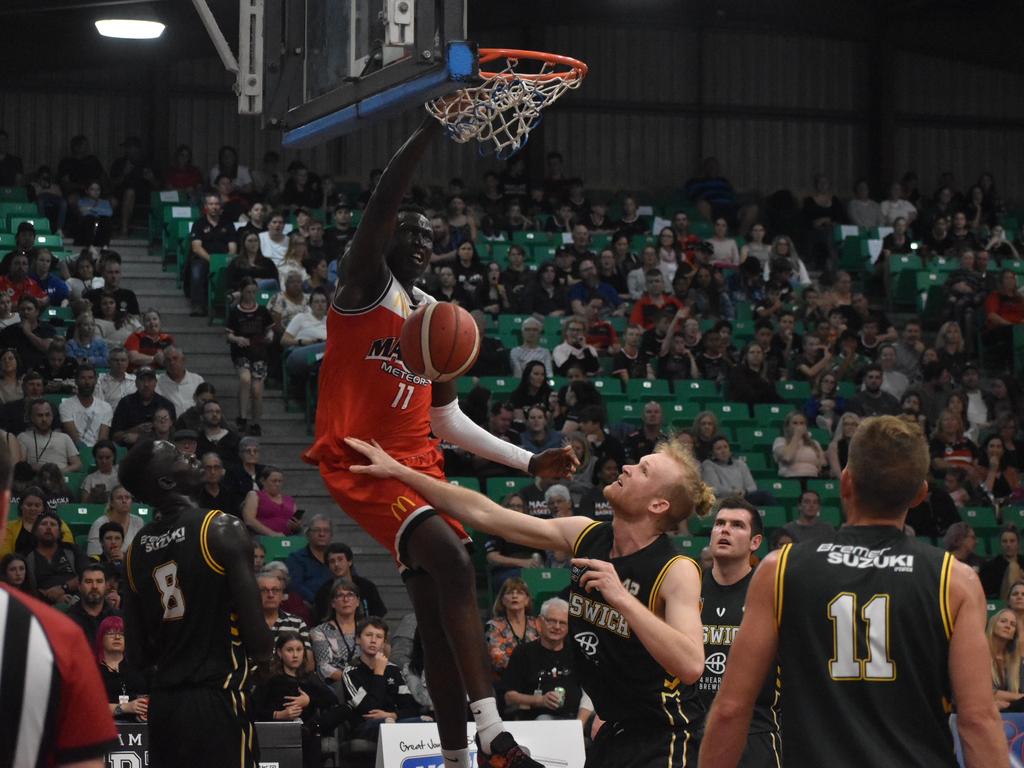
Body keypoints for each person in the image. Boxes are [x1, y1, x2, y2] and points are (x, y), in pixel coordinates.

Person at [301, 119, 577, 768]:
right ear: (390, 238)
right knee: (453, 561)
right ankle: (495, 735)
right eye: (413, 233)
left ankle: (458, 759)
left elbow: (448, 422)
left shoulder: (435, 322)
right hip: (363, 460)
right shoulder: (362, 285)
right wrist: (428, 129)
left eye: (433, 236)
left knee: (437, 616)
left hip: (416, 462)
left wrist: (528, 458)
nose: (425, 242)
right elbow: (382, 205)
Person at [346, 434, 713, 768]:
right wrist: (401, 473)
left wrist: (622, 599)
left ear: (658, 504)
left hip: (665, 738)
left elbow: (692, 664)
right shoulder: (585, 534)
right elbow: (488, 515)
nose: (629, 467)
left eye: (644, 470)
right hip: (613, 731)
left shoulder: (677, 569)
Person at [698, 416, 1006, 768]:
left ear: (845, 482)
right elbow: (978, 720)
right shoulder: (955, 580)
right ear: (921, 494)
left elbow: (732, 708)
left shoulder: (779, 569)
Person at [121, 439, 273, 768]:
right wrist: (264, 667)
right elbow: (258, 637)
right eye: (177, 455)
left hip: (165, 707)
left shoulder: (133, 552)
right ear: (166, 481)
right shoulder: (221, 527)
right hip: (217, 698)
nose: (190, 455)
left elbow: (136, 655)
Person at [0, 434, 120, 765]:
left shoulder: (71, 552)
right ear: (7, 507)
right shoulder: (58, 638)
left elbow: (86, 571)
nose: (49, 529)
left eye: (54, 524)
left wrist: (66, 589)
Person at [694, 499, 781, 765]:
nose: (725, 530)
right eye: (719, 523)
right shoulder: (687, 586)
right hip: (693, 729)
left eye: (737, 525)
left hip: (755, 730)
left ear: (755, 542)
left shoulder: (770, 591)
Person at [253, 632, 344, 768]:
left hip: (308, 729)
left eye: (299, 650)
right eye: (290, 650)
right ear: (279, 652)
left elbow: (331, 700)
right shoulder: (270, 679)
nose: (295, 655)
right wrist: (279, 715)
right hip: (278, 729)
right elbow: (253, 708)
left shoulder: (309, 678)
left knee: (343, 709)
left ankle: (309, 730)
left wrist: (309, 701)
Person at [503, 597, 591, 722]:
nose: (557, 626)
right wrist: (540, 700)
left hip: (577, 717)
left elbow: (589, 693)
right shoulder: (523, 653)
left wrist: (579, 724)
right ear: (539, 623)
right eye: (551, 621)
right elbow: (509, 697)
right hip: (540, 719)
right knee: (544, 720)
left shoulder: (578, 653)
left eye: (563, 623)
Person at [339, 617, 423, 740]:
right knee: (387, 724)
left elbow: (411, 708)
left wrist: (392, 715)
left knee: (427, 721)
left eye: (379, 637)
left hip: (393, 720)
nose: (373, 640)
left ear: (383, 643)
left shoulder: (394, 670)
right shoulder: (350, 673)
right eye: (368, 635)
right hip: (364, 726)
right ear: (358, 639)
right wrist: (379, 673)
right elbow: (369, 710)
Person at [226, 278, 274, 435]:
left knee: (257, 390)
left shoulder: (262, 311)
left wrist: (270, 336)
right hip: (241, 352)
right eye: (248, 292)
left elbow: (270, 330)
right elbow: (229, 335)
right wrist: (238, 339)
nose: (251, 295)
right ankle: (242, 417)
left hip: (259, 352)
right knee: (245, 379)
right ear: (242, 292)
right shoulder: (235, 312)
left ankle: (255, 422)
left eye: (254, 292)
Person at [312, 541, 388, 622]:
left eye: (340, 559)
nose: (336, 564)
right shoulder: (323, 592)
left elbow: (378, 615)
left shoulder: (367, 587)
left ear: (349, 562)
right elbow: (320, 619)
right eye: (332, 561)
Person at [189, 191, 238, 317]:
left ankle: (229, 304)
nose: (214, 207)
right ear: (206, 206)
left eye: (216, 204)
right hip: (204, 258)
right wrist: (212, 260)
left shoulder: (228, 224)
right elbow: (196, 247)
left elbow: (232, 247)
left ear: (220, 207)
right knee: (196, 272)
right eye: (211, 204)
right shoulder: (199, 223)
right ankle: (198, 305)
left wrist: (228, 259)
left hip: (224, 259)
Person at [310, 576, 363, 685]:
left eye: (350, 595)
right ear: (333, 603)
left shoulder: (367, 629)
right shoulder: (320, 631)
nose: (346, 599)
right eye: (340, 595)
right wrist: (352, 681)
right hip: (336, 685)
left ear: (357, 602)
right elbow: (324, 668)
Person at [95, 614, 149, 722]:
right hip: (103, 726)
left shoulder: (138, 667)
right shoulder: (93, 670)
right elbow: (89, 707)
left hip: (138, 728)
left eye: (121, 634)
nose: (117, 637)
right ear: (101, 638)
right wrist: (125, 707)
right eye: (111, 633)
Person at [485, 577, 540, 679]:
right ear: (502, 600)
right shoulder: (493, 626)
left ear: (527, 600)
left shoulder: (536, 624)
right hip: (505, 679)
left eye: (520, 593)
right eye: (510, 593)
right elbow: (497, 659)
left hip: (535, 677)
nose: (514, 596)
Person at [111, 366, 176, 447]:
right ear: (136, 383)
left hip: (160, 452)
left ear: (155, 382)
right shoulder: (125, 403)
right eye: (142, 380)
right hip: (131, 453)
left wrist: (140, 437)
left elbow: (173, 436)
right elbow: (115, 437)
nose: (146, 384)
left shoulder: (166, 405)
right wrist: (135, 429)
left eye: (150, 380)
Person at [18, 398, 82, 473]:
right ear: (32, 418)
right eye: (40, 415)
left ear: (52, 416)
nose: (44, 419)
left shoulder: (64, 437)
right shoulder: (23, 437)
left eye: (47, 415)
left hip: (60, 478)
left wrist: (59, 472)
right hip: (35, 478)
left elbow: (77, 465)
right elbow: (20, 465)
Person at [59, 363, 113, 448]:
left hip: (98, 453)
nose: (87, 382)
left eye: (90, 378)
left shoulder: (106, 407)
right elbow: (74, 439)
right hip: (74, 450)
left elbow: (103, 439)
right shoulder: (65, 405)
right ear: (76, 381)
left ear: (95, 380)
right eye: (83, 378)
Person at [66, 562, 120, 642]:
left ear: (106, 586)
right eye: (88, 581)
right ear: (79, 586)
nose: (94, 586)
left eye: (99, 581)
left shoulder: (118, 617)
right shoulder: (68, 621)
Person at [86, 484, 144, 556]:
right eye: (119, 498)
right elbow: (93, 554)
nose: (124, 501)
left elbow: (142, 552)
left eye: (127, 497)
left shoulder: (138, 522)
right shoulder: (99, 524)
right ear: (112, 503)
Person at [242, 465, 299, 536]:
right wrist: (271, 534)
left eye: (280, 481)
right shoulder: (255, 495)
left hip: (288, 540)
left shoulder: (289, 500)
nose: (277, 484)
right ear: (263, 481)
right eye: (274, 481)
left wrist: (297, 526)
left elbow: (297, 523)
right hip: (263, 539)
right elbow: (249, 520)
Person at [981, 527, 1024, 600]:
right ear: (1000, 544)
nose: (1008, 545)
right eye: (1004, 541)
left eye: (1012, 541)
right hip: (1003, 602)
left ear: (1018, 543)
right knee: (1013, 567)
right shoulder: (991, 566)